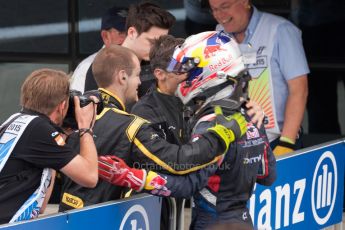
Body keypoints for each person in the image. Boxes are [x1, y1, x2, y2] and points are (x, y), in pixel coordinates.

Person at [99, 31, 276, 229]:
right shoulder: (252, 114)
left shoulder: (210, 122)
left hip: (211, 223)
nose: (185, 78)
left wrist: (132, 176)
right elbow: (267, 175)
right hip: (244, 221)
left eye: (190, 71)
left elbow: (187, 186)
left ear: (210, 71)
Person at [59, 44, 247, 211]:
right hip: (103, 219)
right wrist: (221, 134)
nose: (140, 82)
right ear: (122, 77)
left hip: (66, 215)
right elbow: (180, 162)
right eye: (138, 75)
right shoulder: (131, 126)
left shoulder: (75, 113)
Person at [208, 0, 309, 155]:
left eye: (225, 7)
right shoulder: (217, 35)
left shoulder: (280, 30)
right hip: (234, 146)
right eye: (214, 9)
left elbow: (299, 89)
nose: (219, 15)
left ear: (245, 2)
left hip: (276, 142)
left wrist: (287, 143)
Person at [0, 69, 98, 224]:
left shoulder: (17, 120)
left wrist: (62, 134)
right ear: (62, 105)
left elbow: (41, 206)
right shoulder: (39, 129)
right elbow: (90, 177)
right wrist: (86, 128)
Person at [70, 2, 176, 98]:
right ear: (132, 33)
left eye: (162, 43)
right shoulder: (103, 67)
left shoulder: (157, 62)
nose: (158, 48)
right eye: (152, 42)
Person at [70, 6, 128, 93]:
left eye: (133, 32)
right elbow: (78, 103)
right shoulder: (87, 67)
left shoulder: (143, 63)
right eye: (122, 33)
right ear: (105, 36)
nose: (129, 37)